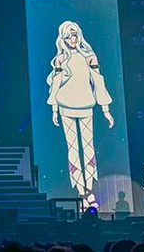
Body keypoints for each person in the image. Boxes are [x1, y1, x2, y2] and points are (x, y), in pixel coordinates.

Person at [47, 21, 114, 209]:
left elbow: (98, 82)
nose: (72, 39)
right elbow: (55, 85)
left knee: (88, 147)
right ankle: (82, 193)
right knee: (73, 149)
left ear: (79, 35)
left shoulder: (89, 56)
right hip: (65, 106)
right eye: (68, 36)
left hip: (86, 105)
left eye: (74, 34)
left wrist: (105, 109)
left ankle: (89, 190)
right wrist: (54, 108)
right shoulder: (60, 59)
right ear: (63, 38)